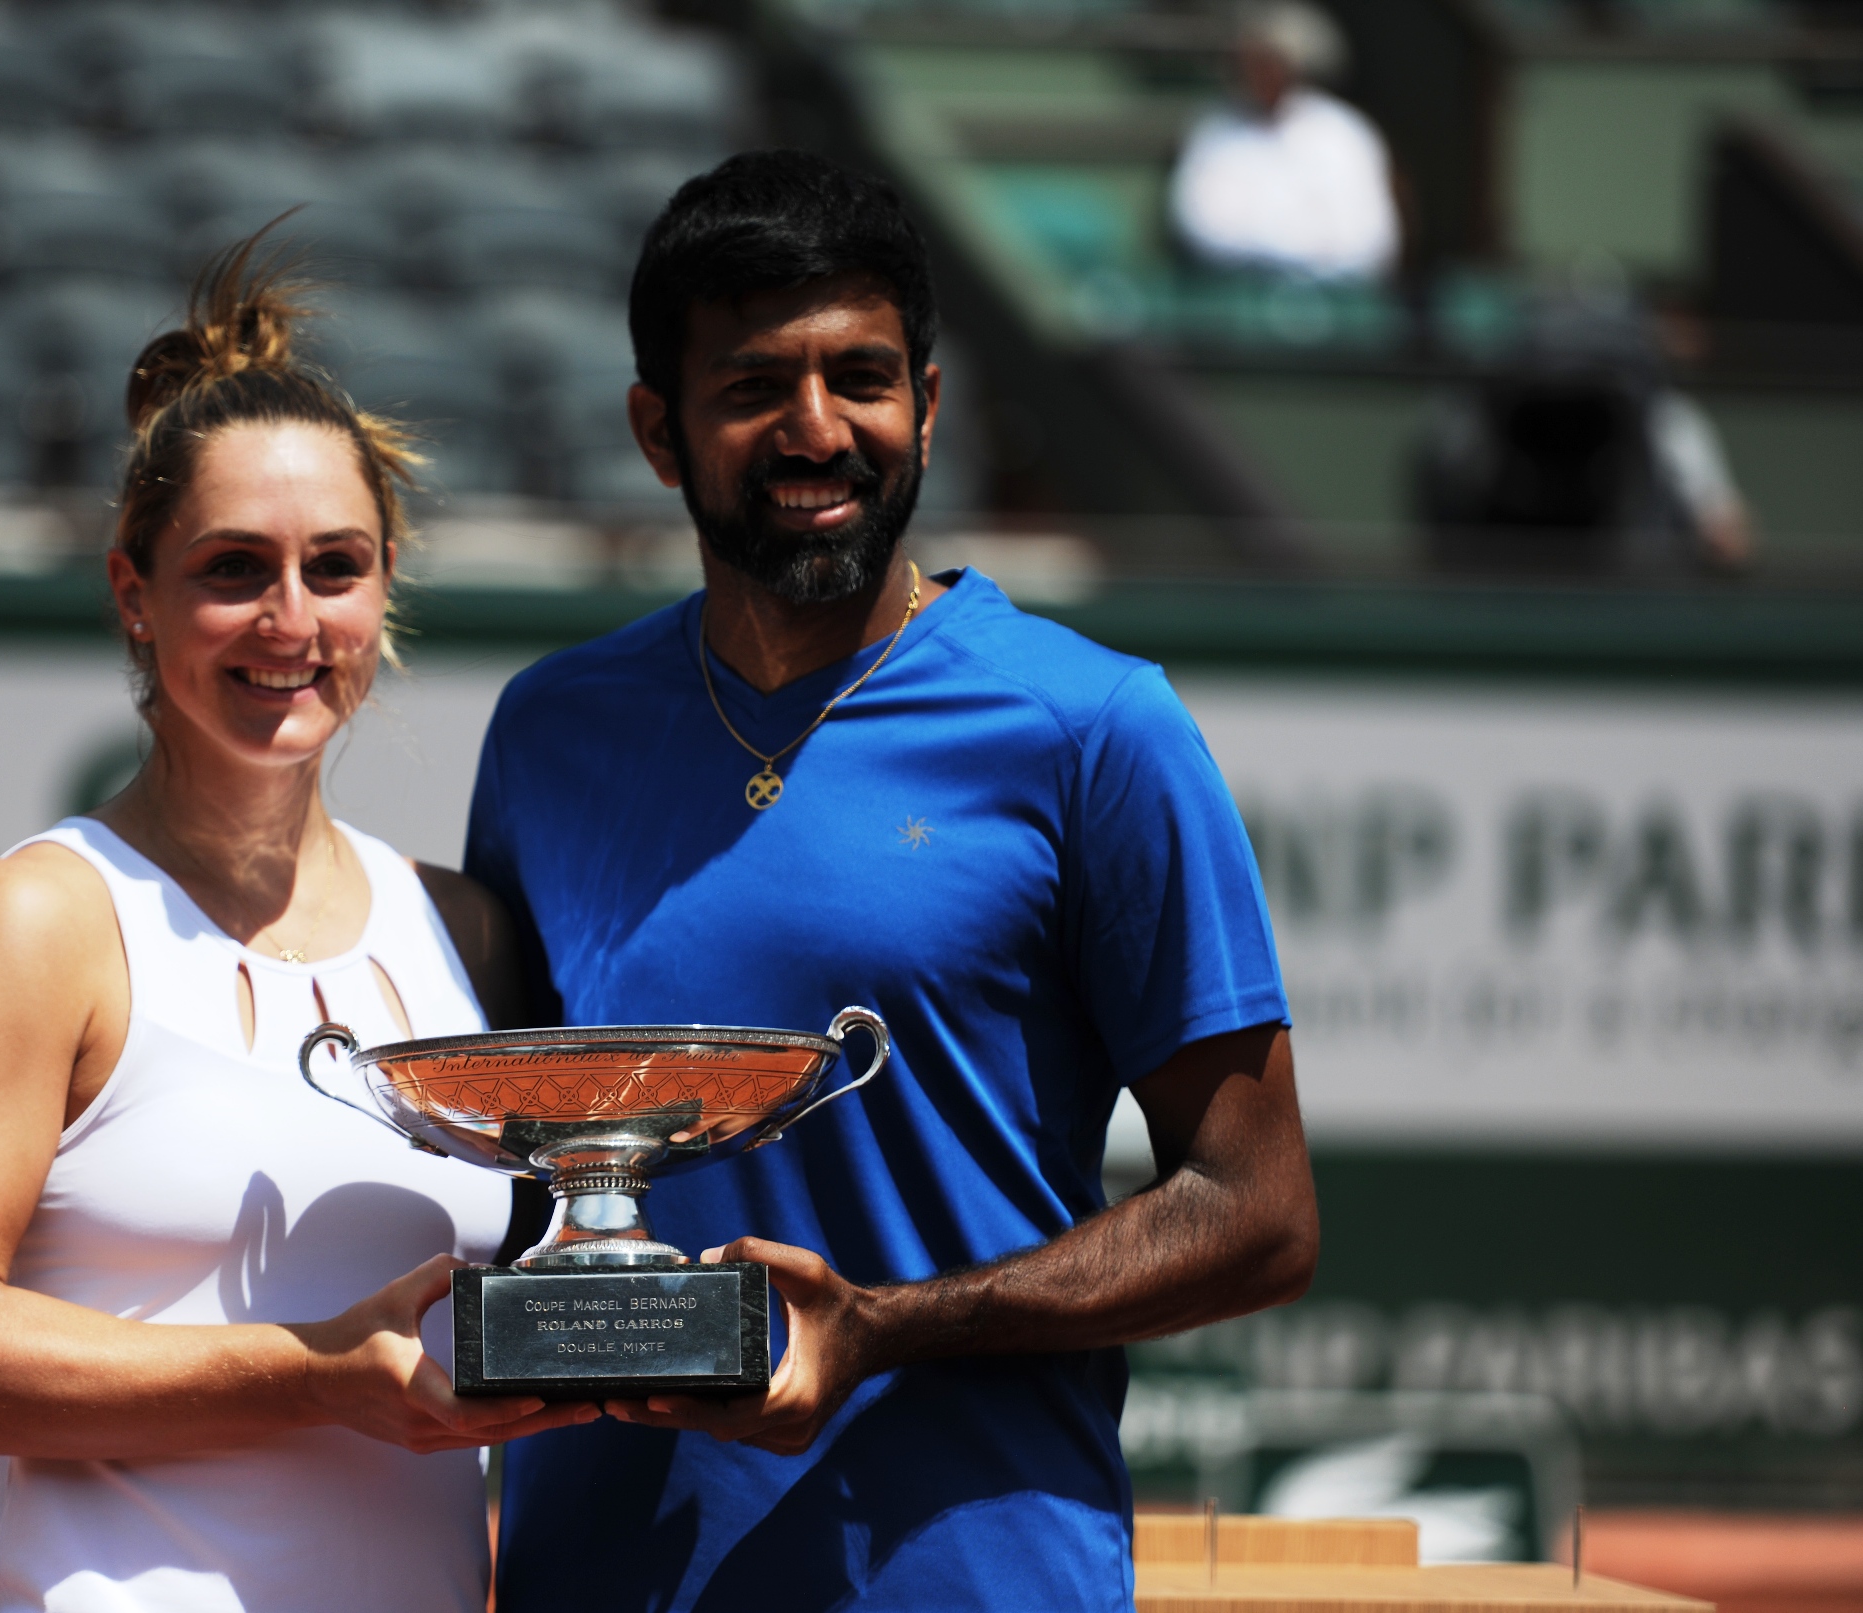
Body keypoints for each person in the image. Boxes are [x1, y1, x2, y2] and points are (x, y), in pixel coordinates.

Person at [466, 151, 1319, 1612]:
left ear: (927, 405)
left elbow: (1253, 1208)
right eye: (751, 387)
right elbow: (531, 1171)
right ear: (656, 432)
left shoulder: (1091, 725)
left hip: (971, 1579)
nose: (815, 431)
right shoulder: (550, 730)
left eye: (860, 377)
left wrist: (884, 1324)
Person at [0, 238, 590, 1613]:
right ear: (136, 595)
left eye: (335, 568)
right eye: (233, 569)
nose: (290, 621)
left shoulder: (461, 928)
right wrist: (311, 1374)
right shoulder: (27, 923)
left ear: (383, 591)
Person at [1168, 1, 1398, 282]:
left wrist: (1296, 255)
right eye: (1249, 64)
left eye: (1268, 63)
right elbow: (1201, 226)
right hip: (1237, 294)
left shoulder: (1342, 133)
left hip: (1332, 298)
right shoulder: (1213, 130)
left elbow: (1369, 238)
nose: (1257, 75)